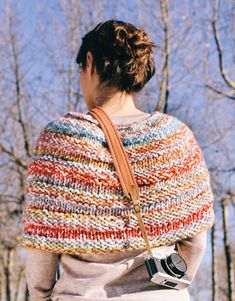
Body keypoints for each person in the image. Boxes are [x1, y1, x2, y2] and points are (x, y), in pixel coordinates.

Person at [19, 19, 215, 301]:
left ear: (90, 61)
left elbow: (42, 251)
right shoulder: (175, 137)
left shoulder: (61, 141)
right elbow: (195, 242)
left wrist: (40, 296)